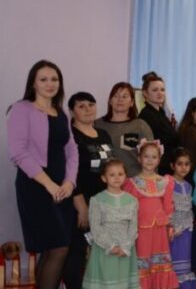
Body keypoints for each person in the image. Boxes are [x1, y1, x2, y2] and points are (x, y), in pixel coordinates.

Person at [7, 61, 79, 288]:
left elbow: (72, 151)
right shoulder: (21, 109)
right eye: (43, 79)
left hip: (62, 188)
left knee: (53, 248)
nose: (50, 84)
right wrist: (49, 184)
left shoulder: (61, 112)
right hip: (36, 187)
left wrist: (69, 182)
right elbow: (19, 152)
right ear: (33, 83)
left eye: (54, 79)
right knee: (58, 248)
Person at [66, 91, 115, 289]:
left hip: (104, 202)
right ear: (72, 112)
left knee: (102, 252)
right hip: (81, 203)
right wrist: (81, 206)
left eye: (91, 104)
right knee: (77, 253)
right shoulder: (70, 136)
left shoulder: (103, 134)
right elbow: (70, 173)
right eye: (81, 106)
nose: (87, 109)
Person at [123, 140, 179, 288]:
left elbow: (168, 206)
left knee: (160, 261)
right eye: (146, 156)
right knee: (143, 261)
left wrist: (170, 226)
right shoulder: (132, 183)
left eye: (154, 157)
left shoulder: (165, 181)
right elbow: (129, 209)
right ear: (139, 158)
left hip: (160, 229)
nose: (150, 160)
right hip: (141, 230)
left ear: (159, 160)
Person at [82, 160, 139, 289]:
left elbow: (133, 226)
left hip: (125, 249)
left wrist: (126, 246)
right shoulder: (97, 200)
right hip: (104, 249)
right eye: (112, 175)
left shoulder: (132, 200)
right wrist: (110, 246)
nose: (117, 177)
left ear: (125, 176)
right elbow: (95, 227)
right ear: (104, 178)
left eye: (120, 174)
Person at [95, 82, 154, 177]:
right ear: (110, 101)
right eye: (116, 96)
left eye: (124, 96)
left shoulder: (140, 126)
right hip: (105, 181)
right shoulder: (97, 125)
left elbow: (152, 157)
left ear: (132, 102)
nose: (120, 99)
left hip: (134, 180)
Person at [137, 72, 179, 175]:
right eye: (155, 90)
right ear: (145, 93)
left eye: (162, 90)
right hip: (157, 167)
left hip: (167, 165)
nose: (160, 93)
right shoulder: (146, 115)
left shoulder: (161, 113)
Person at [169, 149, 196, 289]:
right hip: (173, 233)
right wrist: (171, 227)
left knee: (187, 265)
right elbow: (165, 209)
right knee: (174, 265)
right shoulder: (167, 183)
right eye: (179, 164)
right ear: (172, 165)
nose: (183, 167)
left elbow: (189, 210)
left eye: (187, 164)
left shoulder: (189, 186)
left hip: (187, 232)